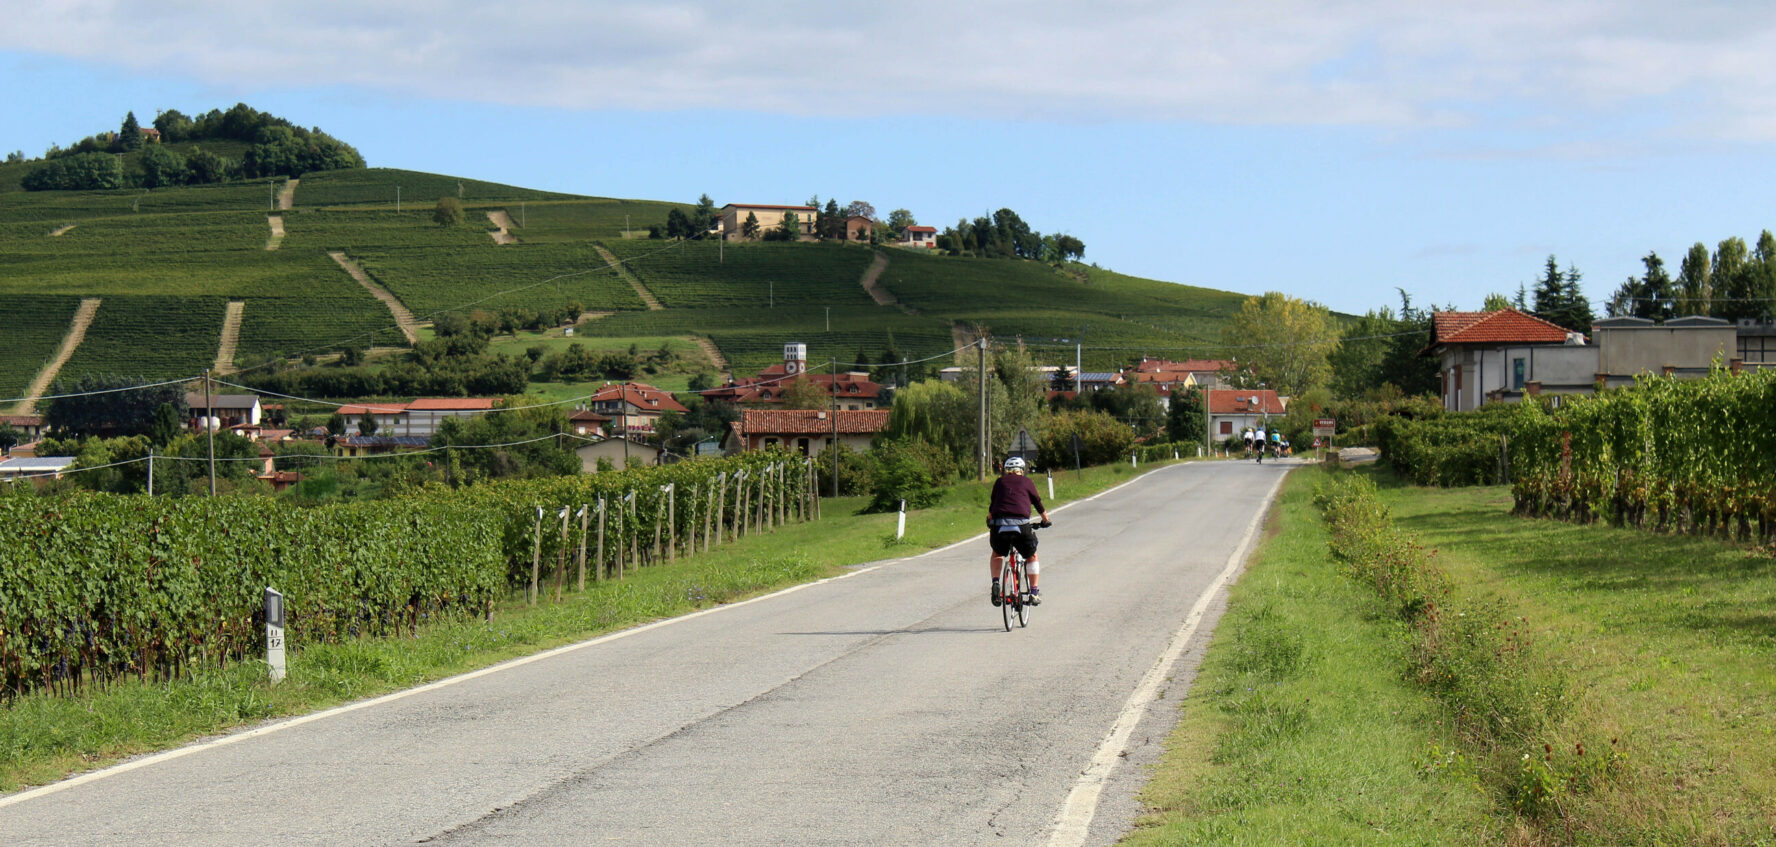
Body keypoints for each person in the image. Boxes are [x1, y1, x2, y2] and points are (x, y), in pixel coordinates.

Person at [988, 456, 1051, 606]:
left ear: (1006, 470)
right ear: (1021, 470)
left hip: (999, 525)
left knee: (997, 553)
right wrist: (1046, 520)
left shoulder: (999, 482)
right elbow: (1037, 502)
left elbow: (993, 504)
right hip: (1021, 526)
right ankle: (1034, 592)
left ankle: (996, 583)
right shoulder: (1027, 482)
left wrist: (989, 520)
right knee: (1031, 555)